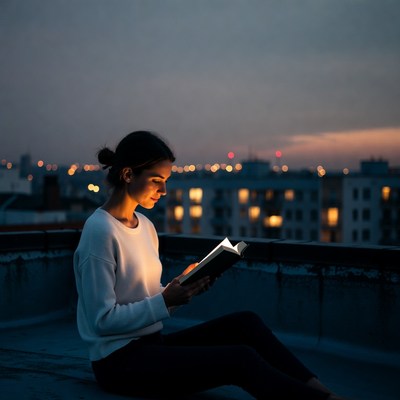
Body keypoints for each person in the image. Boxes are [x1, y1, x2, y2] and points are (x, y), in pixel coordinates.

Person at [73, 130, 346, 399]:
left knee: (245, 324)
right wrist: (166, 301)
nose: (164, 191)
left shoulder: (145, 226)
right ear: (128, 174)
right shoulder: (100, 231)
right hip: (119, 363)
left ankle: (321, 392)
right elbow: (102, 321)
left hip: (152, 344)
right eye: (157, 180)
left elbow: (145, 296)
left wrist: (182, 288)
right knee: (238, 360)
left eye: (166, 181)